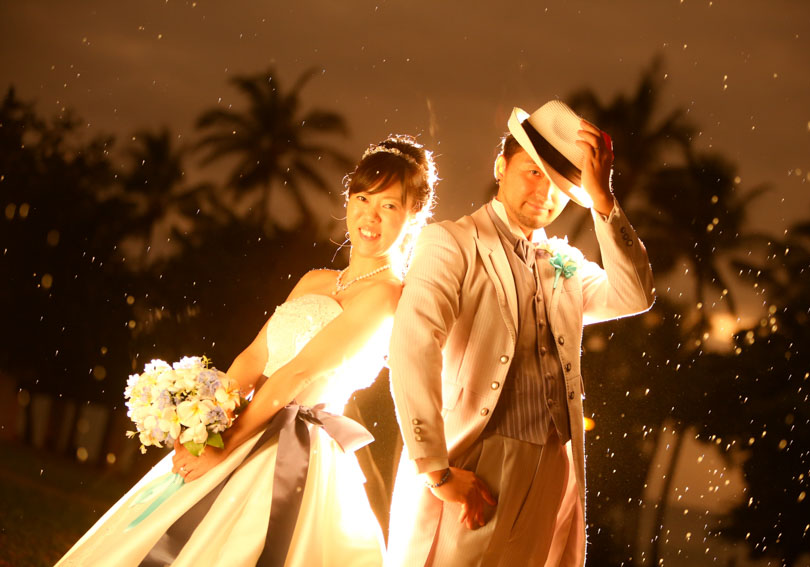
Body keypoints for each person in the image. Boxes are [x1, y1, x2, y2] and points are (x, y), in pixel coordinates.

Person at [56, 135, 437, 567]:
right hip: (248, 419)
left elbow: (297, 374)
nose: (370, 216)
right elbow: (254, 356)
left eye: (388, 205)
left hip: (298, 450)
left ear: (413, 215)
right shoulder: (315, 279)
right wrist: (205, 425)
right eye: (362, 198)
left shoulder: (387, 295)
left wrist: (229, 443)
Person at [386, 101, 655, 567]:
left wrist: (603, 200)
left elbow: (635, 294)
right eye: (533, 172)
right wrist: (436, 471)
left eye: (558, 185)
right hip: (473, 460)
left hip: (553, 466)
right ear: (500, 166)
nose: (544, 192)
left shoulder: (564, 263)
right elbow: (413, 348)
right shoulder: (451, 242)